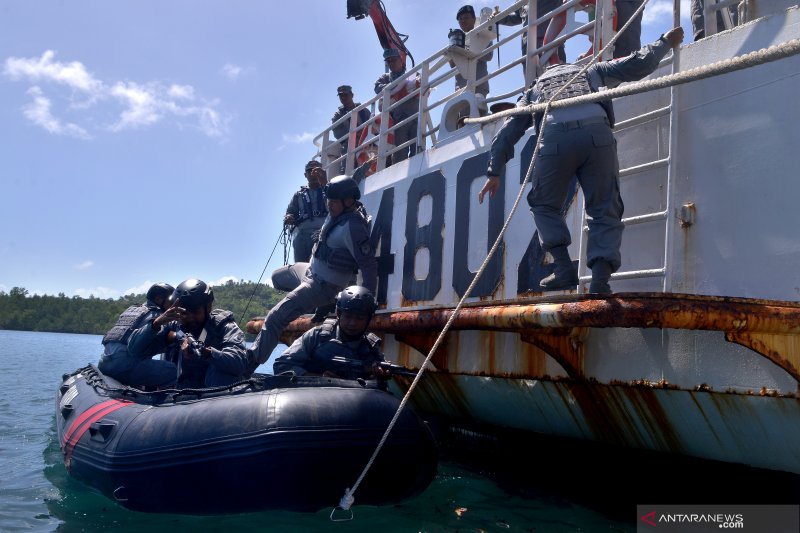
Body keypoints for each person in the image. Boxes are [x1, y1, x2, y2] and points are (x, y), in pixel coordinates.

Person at [478, 27, 684, 294]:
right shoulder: (591, 70)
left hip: (554, 138)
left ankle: (563, 268)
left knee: (543, 204)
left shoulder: (534, 88)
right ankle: (599, 282)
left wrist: (494, 171)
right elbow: (636, 63)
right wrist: (665, 41)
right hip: (597, 133)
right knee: (603, 207)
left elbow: (510, 129)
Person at [248, 175, 377, 374]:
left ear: (349, 202)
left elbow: (368, 267)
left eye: (333, 201)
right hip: (309, 271)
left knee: (275, 317)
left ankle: (249, 363)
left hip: (321, 285)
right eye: (328, 200)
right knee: (276, 276)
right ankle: (322, 304)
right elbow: (354, 177)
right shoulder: (337, 212)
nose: (329, 205)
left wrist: (367, 306)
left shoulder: (353, 227)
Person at [273, 286, 389, 380]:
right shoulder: (317, 336)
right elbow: (281, 366)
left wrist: (378, 377)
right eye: (348, 316)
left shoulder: (371, 348)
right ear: (338, 314)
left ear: (369, 319)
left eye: (359, 318)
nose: (353, 323)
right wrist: (319, 378)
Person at [158, 279, 248, 388]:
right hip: (181, 395)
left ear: (208, 307)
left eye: (195, 312)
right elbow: (138, 349)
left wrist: (207, 353)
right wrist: (155, 325)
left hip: (213, 397)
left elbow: (238, 363)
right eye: (184, 313)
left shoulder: (225, 327)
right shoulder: (174, 325)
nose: (189, 318)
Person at [98, 282, 178, 389]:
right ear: (159, 299)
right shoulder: (157, 315)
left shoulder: (132, 310)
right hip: (123, 366)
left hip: (104, 363)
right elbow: (134, 349)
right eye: (171, 301)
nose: (173, 304)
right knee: (175, 371)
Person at [374, 48, 420, 164]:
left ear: (401, 60)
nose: (391, 64)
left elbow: (423, 87)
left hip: (416, 117)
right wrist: (398, 86)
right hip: (398, 120)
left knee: (417, 150)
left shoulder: (413, 74)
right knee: (400, 155)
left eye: (394, 60)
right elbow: (377, 88)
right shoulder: (385, 78)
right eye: (388, 62)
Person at [496, 0, 566, 74]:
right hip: (527, 43)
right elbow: (519, 16)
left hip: (551, 39)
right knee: (532, 81)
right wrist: (499, 18)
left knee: (558, 77)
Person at [284, 160, 328, 263]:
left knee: (321, 265)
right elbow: (290, 211)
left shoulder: (329, 189)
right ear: (305, 174)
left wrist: (325, 182)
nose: (313, 173)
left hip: (323, 233)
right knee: (301, 267)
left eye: (317, 170)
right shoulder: (298, 194)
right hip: (302, 235)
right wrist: (289, 216)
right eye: (310, 171)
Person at [452, 5, 493, 97]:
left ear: (474, 19)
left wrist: (465, 50)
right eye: (460, 19)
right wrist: (452, 52)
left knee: (477, 110)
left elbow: (489, 55)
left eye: (466, 17)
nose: (463, 21)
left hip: (478, 84)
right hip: (460, 87)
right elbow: (453, 66)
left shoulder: (482, 34)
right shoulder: (458, 39)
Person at [331, 85, 371, 172]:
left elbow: (374, 124)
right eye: (341, 96)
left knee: (370, 167)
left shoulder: (364, 110)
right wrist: (355, 133)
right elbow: (337, 133)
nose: (343, 98)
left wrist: (364, 131)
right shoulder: (338, 115)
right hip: (349, 147)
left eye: (345, 95)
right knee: (347, 170)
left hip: (367, 143)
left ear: (352, 95)